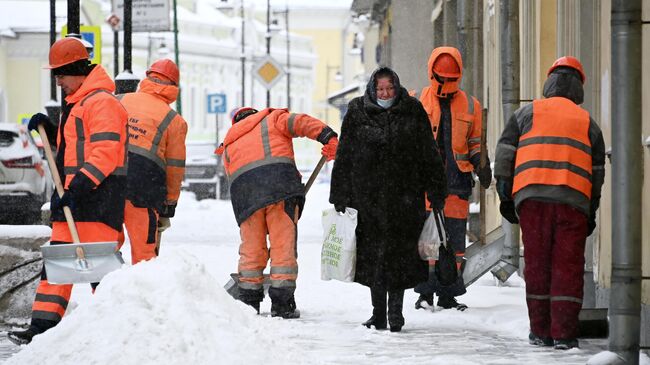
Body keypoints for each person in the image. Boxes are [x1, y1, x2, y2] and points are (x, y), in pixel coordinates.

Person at [8, 37, 128, 345]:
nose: (58, 82)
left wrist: (79, 188)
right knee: (58, 266)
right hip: (72, 198)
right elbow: (70, 150)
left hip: (96, 198)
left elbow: (106, 151)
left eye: (60, 74)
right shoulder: (80, 104)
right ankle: (41, 328)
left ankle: (125, 325)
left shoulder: (101, 102)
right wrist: (49, 129)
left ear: (76, 70)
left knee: (101, 268)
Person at [494, 56, 605, 350]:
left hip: (532, 199)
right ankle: (564, 335)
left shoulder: (526, 114)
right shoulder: (588, 123)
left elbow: (505, 154)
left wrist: (506, 196)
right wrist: (591, 210)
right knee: (567, 267)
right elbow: (597, 175)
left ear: (549, 82)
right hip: (573, 203)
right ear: (579, 86)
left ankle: (540, 331)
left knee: (538, 264)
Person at [329, 67, 447, 332]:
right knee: (374, 259)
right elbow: (345, 155)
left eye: (390, 89)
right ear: (373, 88)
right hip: (367, 199)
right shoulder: (358, 111)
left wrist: (436, 191)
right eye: (381, 89)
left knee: (400, 259)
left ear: (397, 88)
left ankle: (396, 313)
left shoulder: (412, 110)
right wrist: (340, 194)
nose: (385, 94)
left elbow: (429, 153)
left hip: (405, 198)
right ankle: (378, 313)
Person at [218, 107, 338, 318]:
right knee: (283, 246)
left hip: (246, 198)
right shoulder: (272, 119)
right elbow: (301, 122)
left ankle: (248, 302)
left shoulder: (229, 143)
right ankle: (283, 305)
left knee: (252, 249)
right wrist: (327, 137)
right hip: (279, 189)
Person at [413, 46, 492, 311]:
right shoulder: (416, 101)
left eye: (451, 78)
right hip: (424, 184)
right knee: (427, 243)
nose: (446, 83)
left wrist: (483, 165)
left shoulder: (471, 105)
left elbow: (475, 141)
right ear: (432, 73)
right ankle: (425, 293)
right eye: (442, 78)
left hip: (457, 182)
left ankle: (448, 293)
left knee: (455, 244)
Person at [116, 59, 188, 264]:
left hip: (109, 179)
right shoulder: (174, 120)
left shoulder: (118, 100)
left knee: (106, 248)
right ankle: (143, 292)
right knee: (144, 254)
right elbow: (174, 167)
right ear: (174, 87)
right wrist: (170, 204)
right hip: (144, 187)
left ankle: (108, 291)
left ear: (146, 79)